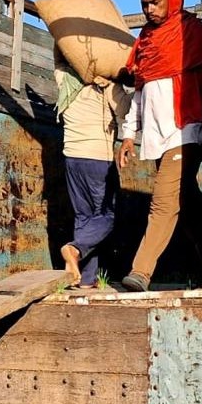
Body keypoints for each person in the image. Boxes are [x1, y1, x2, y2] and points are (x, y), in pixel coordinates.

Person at [116, 0, 202, 292]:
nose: (149, 10)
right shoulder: (145, 42)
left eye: (155, 2)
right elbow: (140, 95)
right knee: (189, 204)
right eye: (144, 5)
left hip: (186, 131)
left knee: (163, 201)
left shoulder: (193, 34)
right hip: (156, 139)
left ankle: (141, 272)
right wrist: (129, 134)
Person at [56, 65, 131, 287]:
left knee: (84, 217)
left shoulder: (65, 79)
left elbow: (59, 53)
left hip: (71, 157)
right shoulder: (108, 86)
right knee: (107, 216)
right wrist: (111, 86)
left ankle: (85, 279)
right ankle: (74, 249)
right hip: (98, 159)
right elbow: (125, 111)